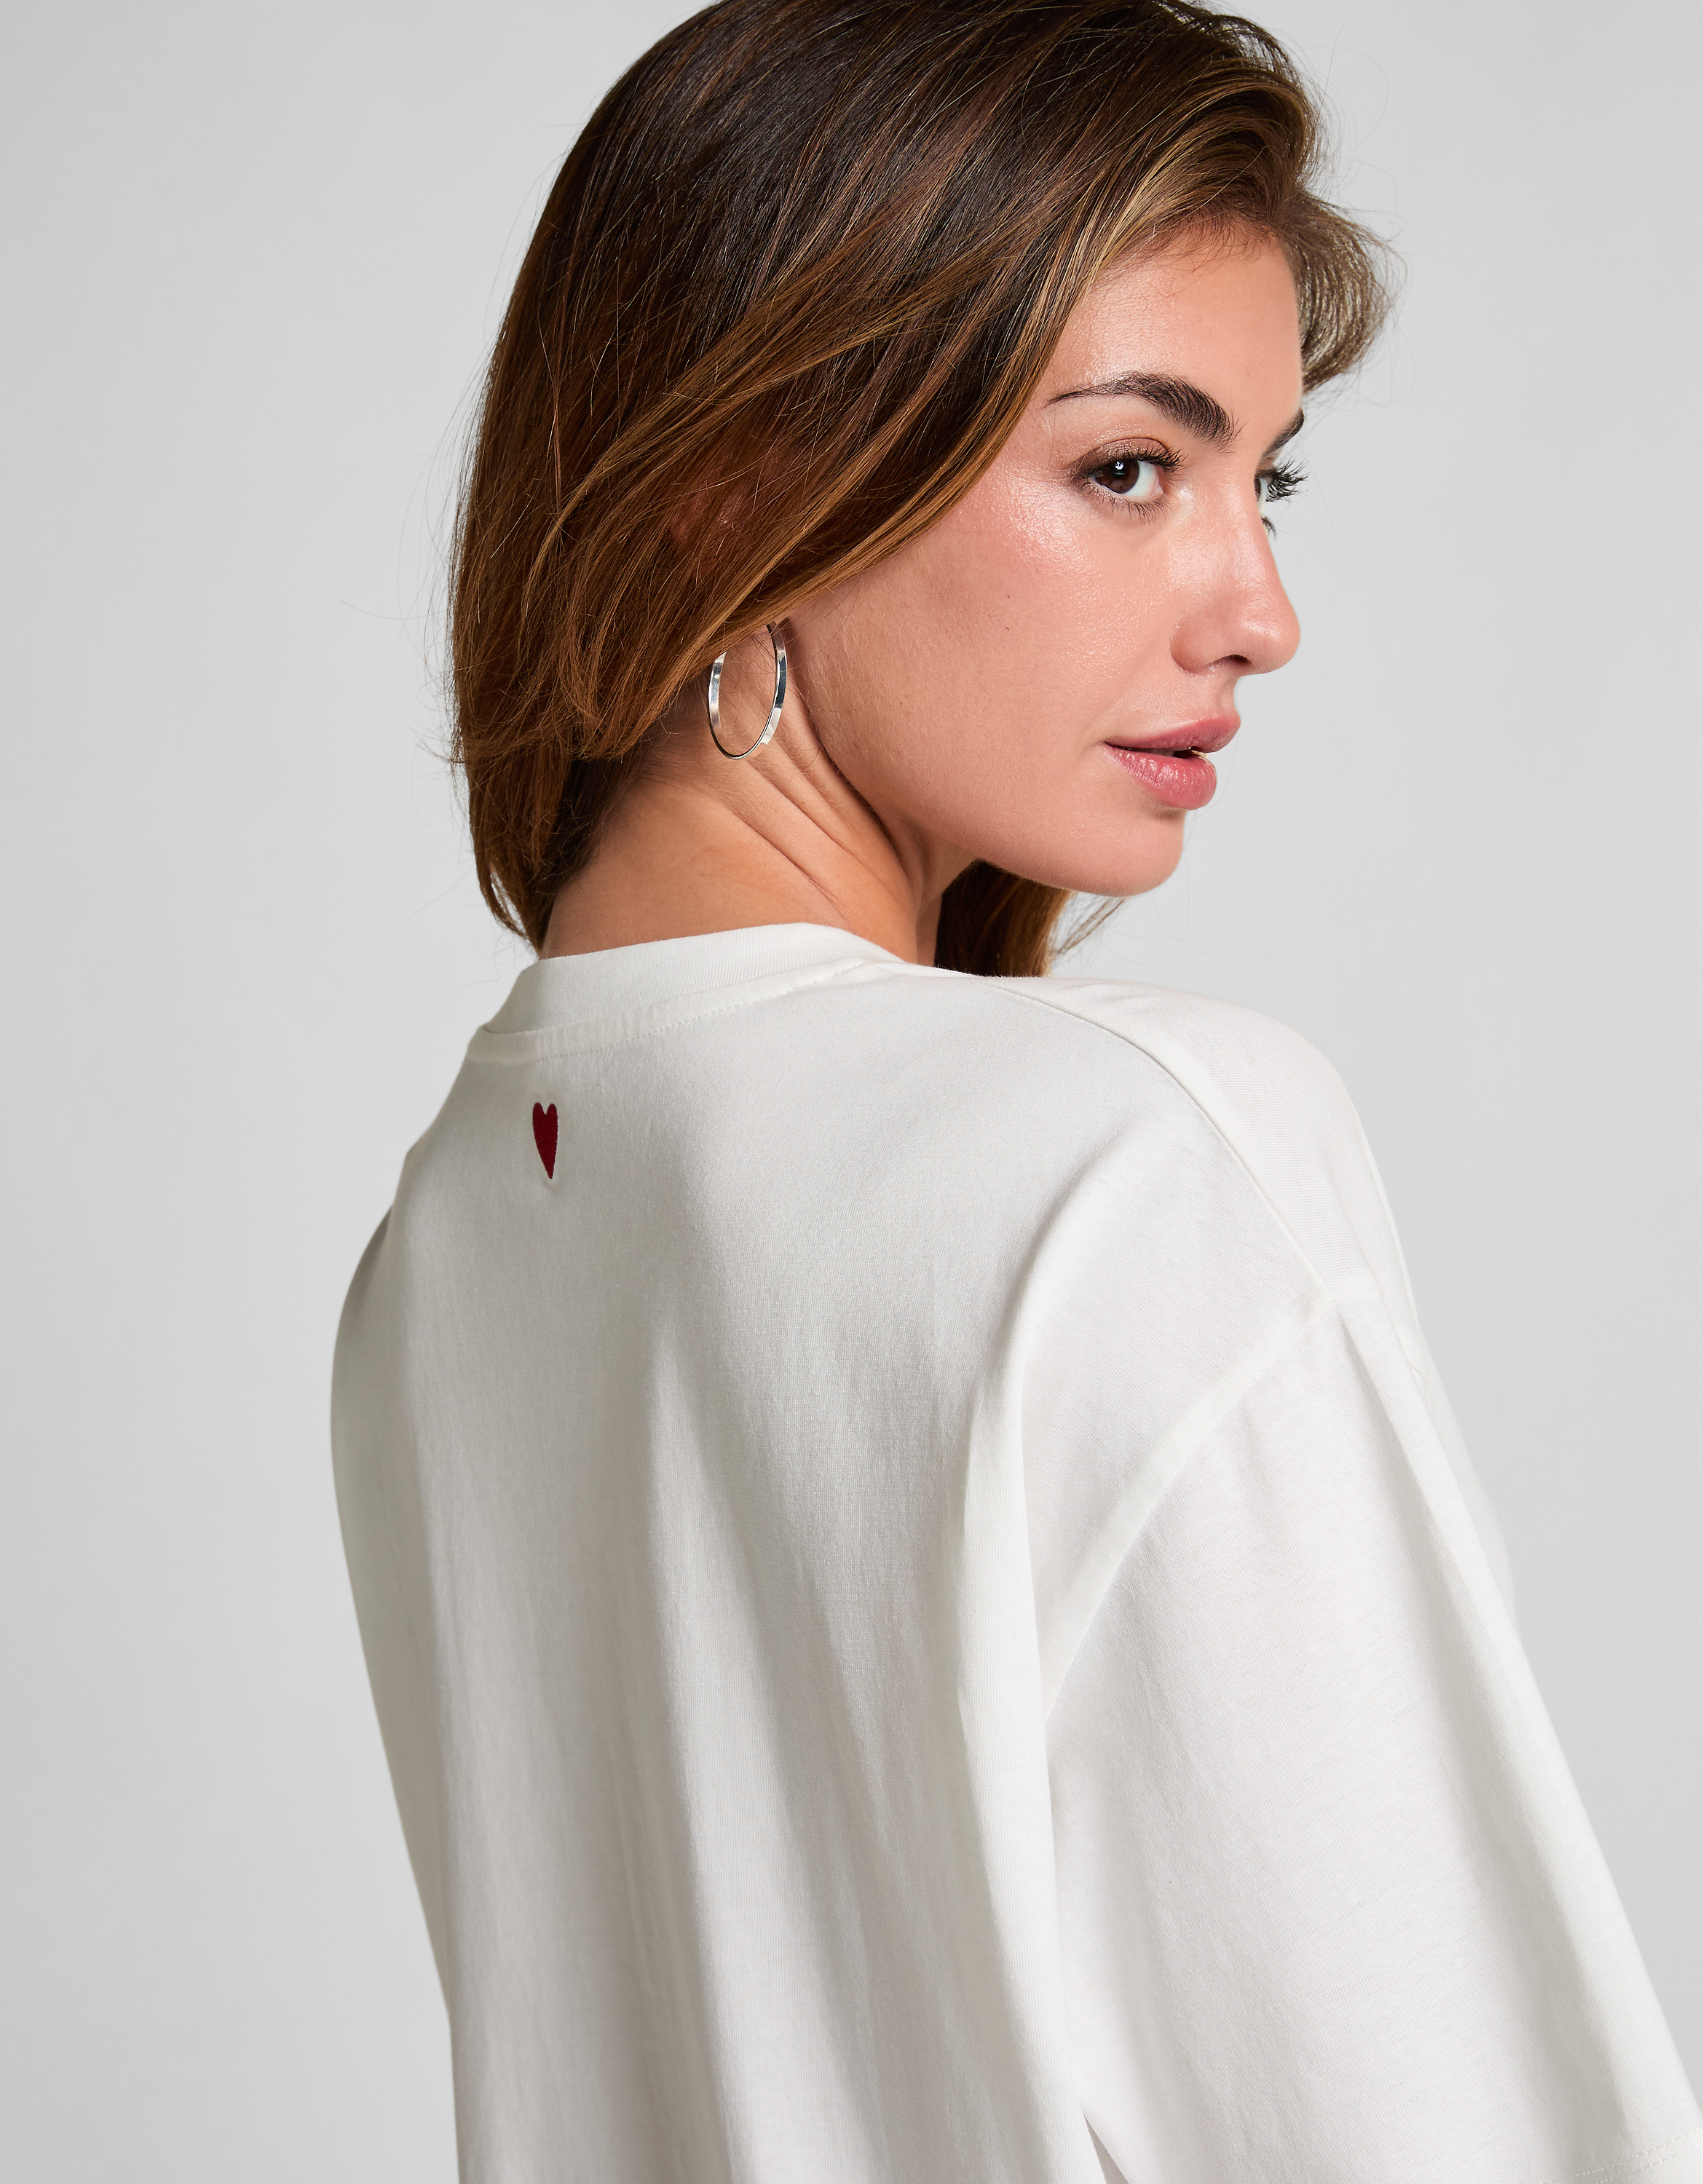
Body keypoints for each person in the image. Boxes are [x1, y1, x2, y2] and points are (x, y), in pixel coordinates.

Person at [331, 2, 1702, 2177]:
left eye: (1267, 481)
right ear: (737, 488)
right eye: (1129, 469)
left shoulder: (438, 1253)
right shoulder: (1123, 1158)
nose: (1259, 612)